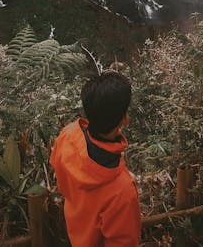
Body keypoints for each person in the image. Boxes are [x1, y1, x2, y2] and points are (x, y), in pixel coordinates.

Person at [50, 71, 141, 246]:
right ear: (125, 119)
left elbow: (61, 181)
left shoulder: (68, 136)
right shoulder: (121, 191)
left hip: (74, 235)